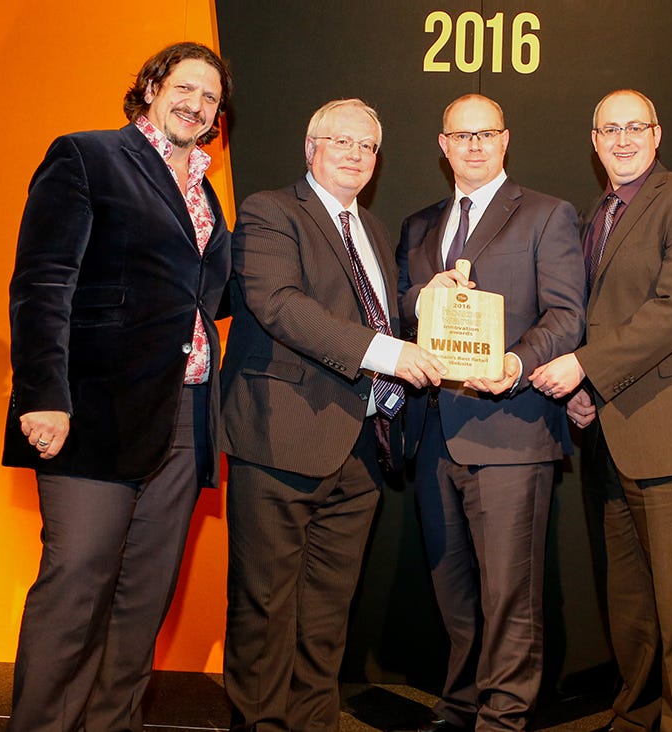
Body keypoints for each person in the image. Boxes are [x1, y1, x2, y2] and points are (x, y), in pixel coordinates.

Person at [1, 42, 233, 731]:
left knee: (142, 602)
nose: (196, 104)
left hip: (183, 415)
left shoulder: (203, 188)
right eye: (185, 87)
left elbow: (206, 291)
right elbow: (43, 281)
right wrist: (44, 394)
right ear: (152, 87)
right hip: (94, 410)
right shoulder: (86, 156)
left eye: (211, 97)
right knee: (76, 589)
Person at [219, 98, 446, 731]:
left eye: (367, 147)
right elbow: (281, 305)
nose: (354, 154)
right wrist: (389, 350)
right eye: (341, 141)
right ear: (311, 147)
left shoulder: (372, 230)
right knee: (264, 610)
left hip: (363, 447)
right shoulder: (271, 212)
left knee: (325, 616)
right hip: (281, 436)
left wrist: (426, 305)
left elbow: (372, 317)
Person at [530, 89, 672, 730]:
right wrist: (590, 391)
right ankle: (639, 710)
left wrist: (586, 369)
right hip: (609, 432)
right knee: (630, 595)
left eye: (634, 127)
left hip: (668, 429)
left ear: (657, 132)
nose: (622, 139)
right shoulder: (600, 213)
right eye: (608, 129)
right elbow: (599, 318)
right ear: (593, 140)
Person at [396, 93, 586, 732]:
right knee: (453, 594)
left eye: (486, 134)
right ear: (442, 145)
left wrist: (517, 360)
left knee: (510, 595)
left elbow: (567, 315)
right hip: (431, 436)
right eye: (461, 135)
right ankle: (458, 709)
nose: (474, 146)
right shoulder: (419, 226)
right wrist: (424, 296)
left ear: (505, 141)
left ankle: (503, 719)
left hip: (512, 431)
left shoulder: (546, 214)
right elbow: (400, 312)